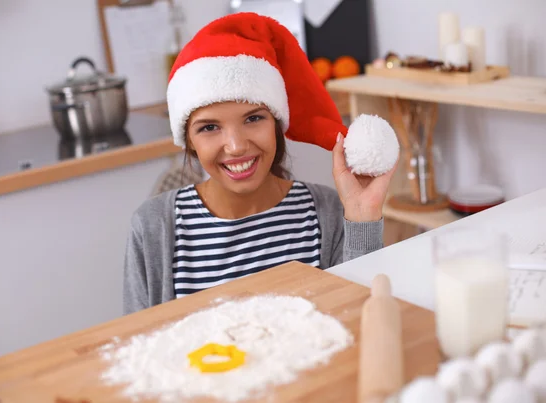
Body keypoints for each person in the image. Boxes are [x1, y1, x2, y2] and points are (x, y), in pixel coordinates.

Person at [123, 12, 396, 313]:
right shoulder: (152, 227)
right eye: (209, 127)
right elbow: (141, 342)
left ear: (276, 125)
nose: (237, 146)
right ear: (188, 139)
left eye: (253, 118)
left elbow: (364, 320)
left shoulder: (326, 214)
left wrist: (362, 217)